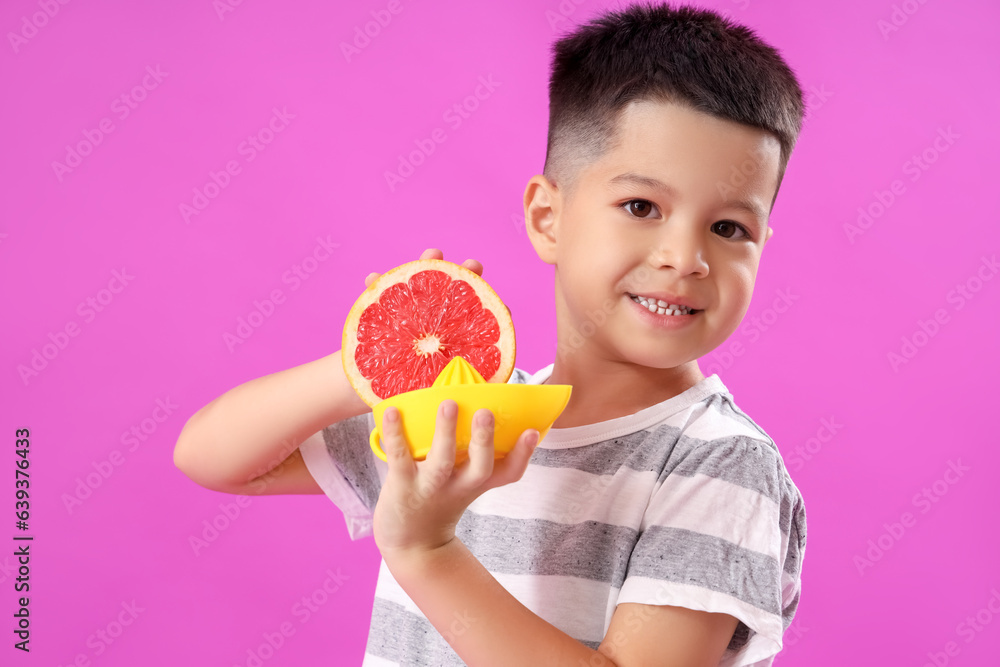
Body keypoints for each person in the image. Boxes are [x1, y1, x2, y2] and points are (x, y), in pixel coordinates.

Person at [173, 2, 808, 665]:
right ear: (547, 217)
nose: (686, 257)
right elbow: (214, 457)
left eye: (728, 227)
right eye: (641, 207)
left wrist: (428, 550)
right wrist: (364, 362)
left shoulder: (720, 462)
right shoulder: (463, 418)